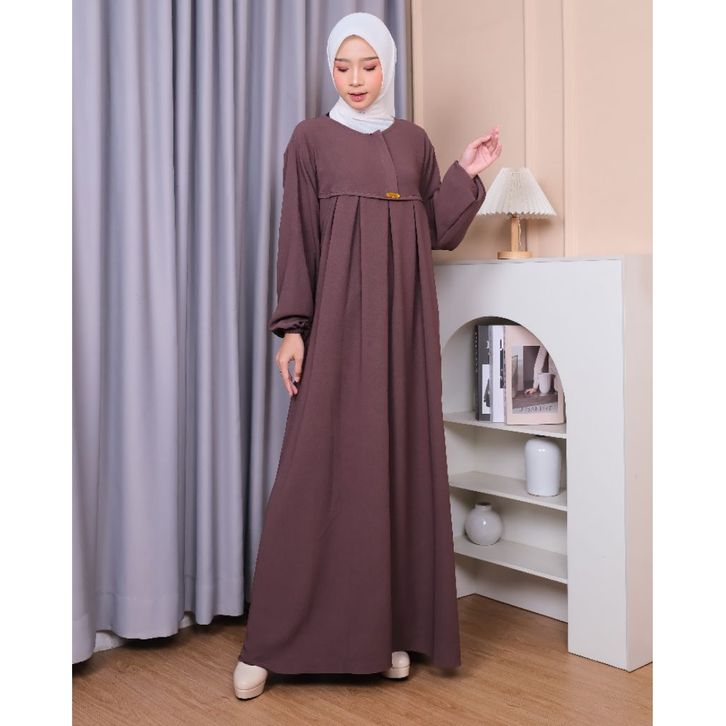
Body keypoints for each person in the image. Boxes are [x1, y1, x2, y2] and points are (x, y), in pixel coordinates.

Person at [234, 11, 502, 700]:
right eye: (342, 66)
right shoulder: (310, 139)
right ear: (331, 69)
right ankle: (272, 643)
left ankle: (386, 633)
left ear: (388, 66)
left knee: (394, 468)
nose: (355, 79)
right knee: (315, 472)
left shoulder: (413, 141)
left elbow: (433, 230)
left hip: (404, 331)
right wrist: (293, 329)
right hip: (337, 326)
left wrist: (466, 174)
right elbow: (297, 234)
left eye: (369, 65)